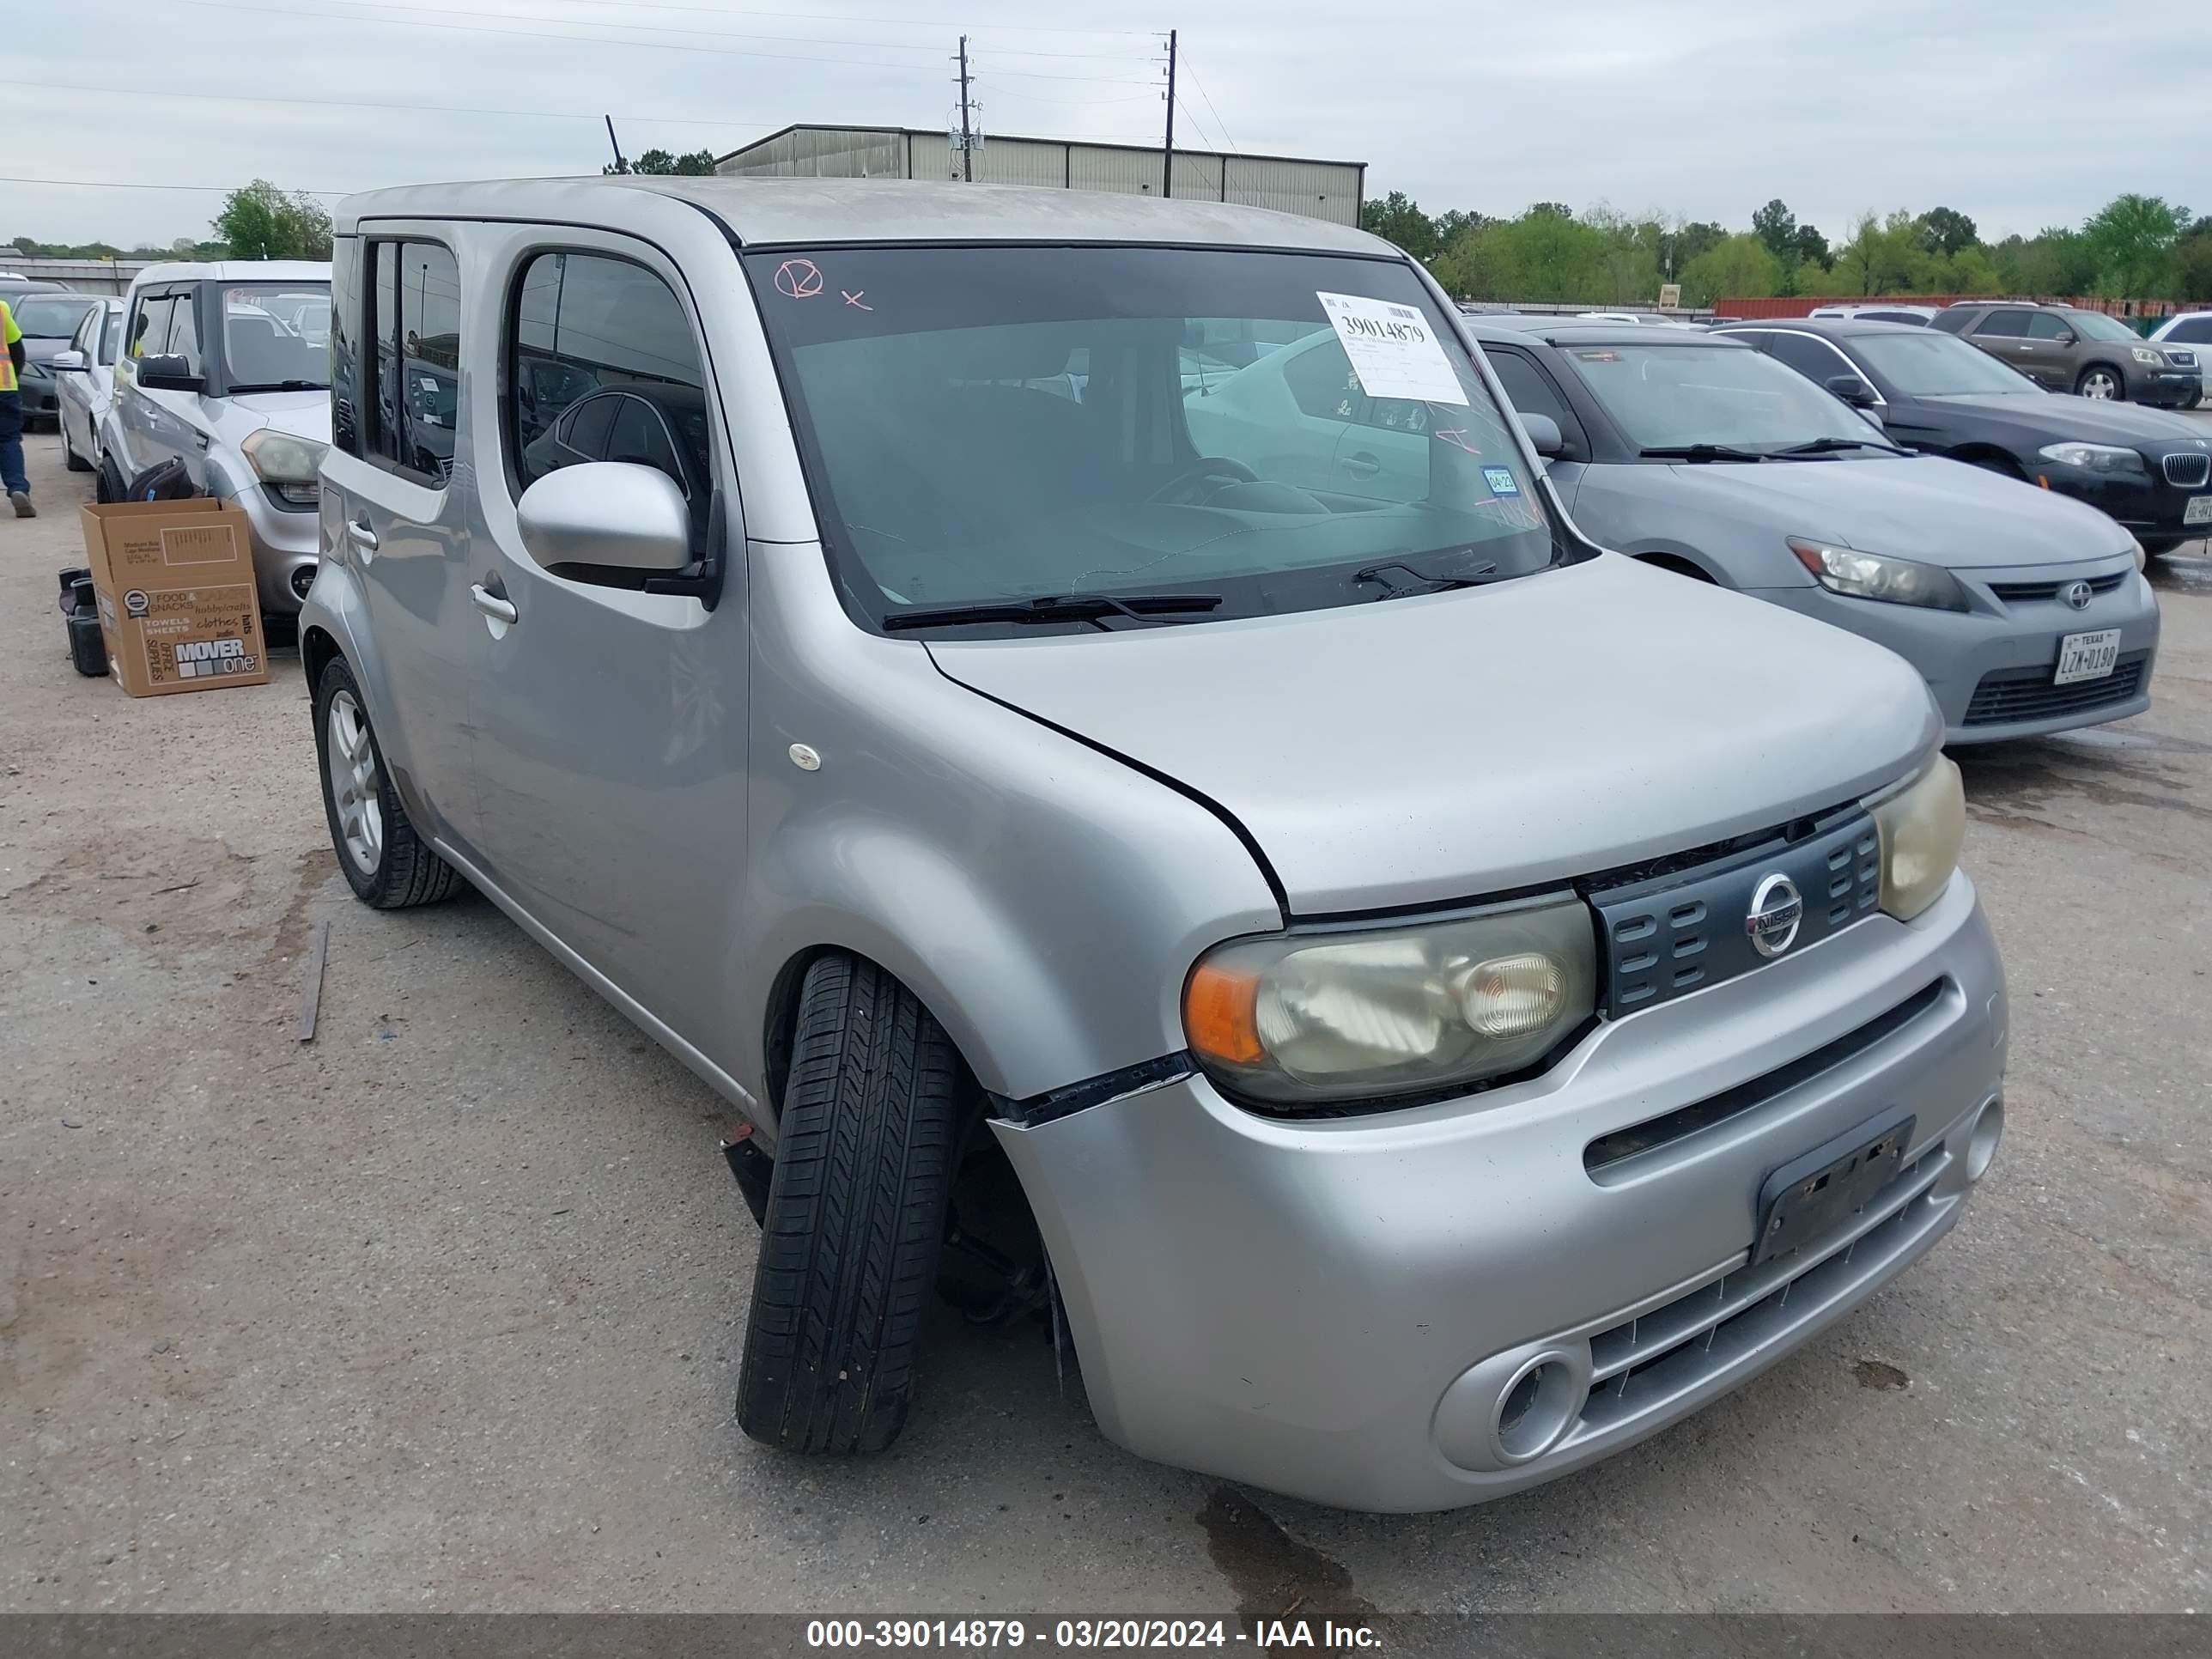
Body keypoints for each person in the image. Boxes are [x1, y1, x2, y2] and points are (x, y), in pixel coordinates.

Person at [0, 293, 30, 517]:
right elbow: (17, 350)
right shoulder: (1, 308)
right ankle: (18, 489)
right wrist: (14, 378)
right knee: (8, 439)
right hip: (4, 386)